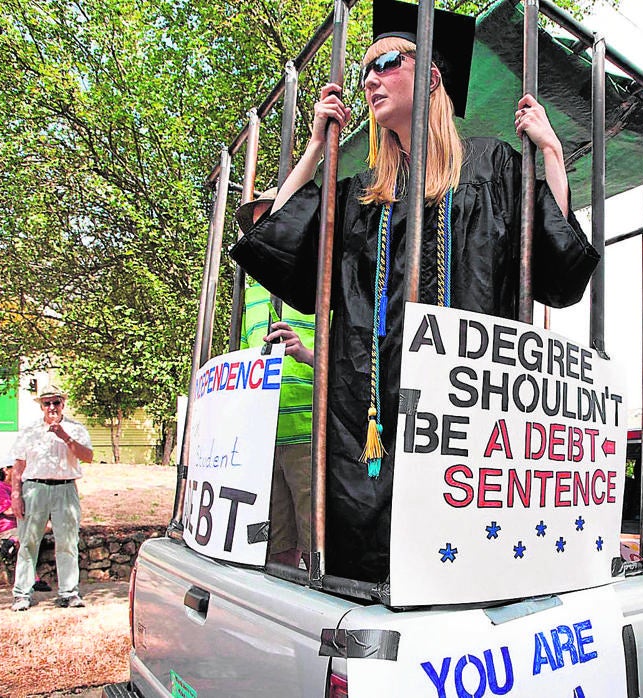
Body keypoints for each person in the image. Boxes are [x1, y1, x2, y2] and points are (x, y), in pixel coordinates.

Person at [230, 0, 598, 581]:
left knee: (461, 566)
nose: (371, 80)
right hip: (366, 421)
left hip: (464, 414)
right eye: (365, 72)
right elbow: (275, 237)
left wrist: (550, 151)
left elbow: (553, 254)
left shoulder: (493, 166)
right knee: (370, 566)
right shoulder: (361, 195)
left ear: (428, 75)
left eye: (387, 63)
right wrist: (314, 149)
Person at [241, 279, 316, 568]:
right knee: (277, 549)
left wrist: (305, 354)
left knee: (316, 550)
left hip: (308, 435)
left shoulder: (321, 288)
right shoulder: (252, 295)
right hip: (263, 439)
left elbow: (351, 364)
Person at [9, 385, 94, 611]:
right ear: (41, 406)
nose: (52, 407)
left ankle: (69, 592)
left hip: (65, 489)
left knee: (67, 542)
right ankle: (21, 594)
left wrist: (65, 437)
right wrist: (16, 495)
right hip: (34, 488)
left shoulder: (75, 428)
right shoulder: (29, 431)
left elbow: (88, 457)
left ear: (63, 404)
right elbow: (18, 466)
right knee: (28, 542)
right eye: (47, 403)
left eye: (56, 402)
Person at [0, 461, 51, 591]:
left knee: (48, 526)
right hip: (2, 528)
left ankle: (14, 541)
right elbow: (8, 510)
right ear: (5, 470)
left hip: (21, 526)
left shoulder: (22, 487)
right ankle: (32, 579)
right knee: (26, 541)